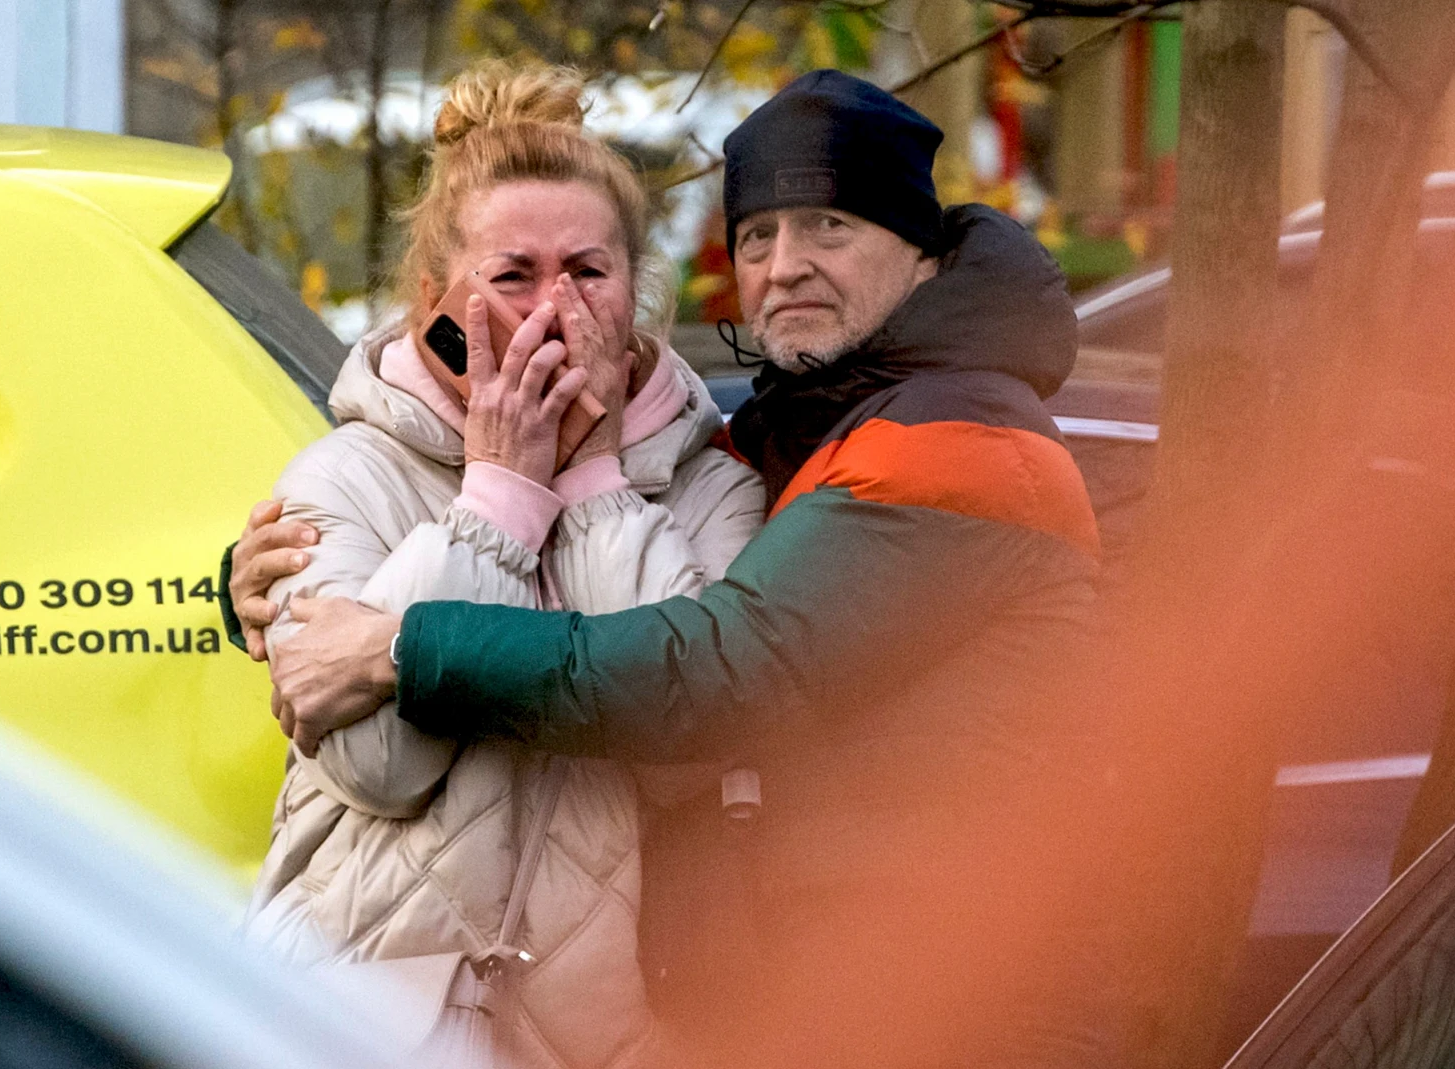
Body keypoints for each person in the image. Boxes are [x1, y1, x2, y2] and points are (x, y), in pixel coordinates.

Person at [236, 71, 1107, 1066]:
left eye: (830, 226)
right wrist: (267, 583)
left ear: (922, 256)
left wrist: (398, 639)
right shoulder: (787, 433)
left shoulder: (952, 437)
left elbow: (711, 679)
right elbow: (368, 752)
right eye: (756, 237)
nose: (786, 267)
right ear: (436, 298)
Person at [235, 59, 765, 1069]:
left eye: (588, 271)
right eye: (512, 275)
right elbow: (375, 766)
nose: (553, 308)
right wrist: (497, 501)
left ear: (635, 293)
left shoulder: (713, 489)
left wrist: (599, 481)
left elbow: (684, 750)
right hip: (358, 1026)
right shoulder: (343, 477)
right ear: (437, 297)